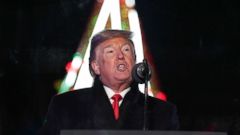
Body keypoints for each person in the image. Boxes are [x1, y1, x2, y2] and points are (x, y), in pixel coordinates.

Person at [38, 29, 179, 135]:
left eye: (126, 50)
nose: (120, 56)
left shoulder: (162, 112)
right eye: (110, 51)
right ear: (96, 66)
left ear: (135, 61)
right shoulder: (65, 106)